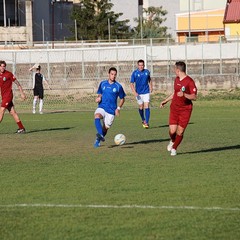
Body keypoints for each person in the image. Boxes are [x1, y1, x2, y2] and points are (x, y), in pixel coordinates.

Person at [160, 61, 197, 156]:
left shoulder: (189, 81)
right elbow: (175, 93)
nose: (174, 71)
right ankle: (172, 141)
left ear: (178, 70)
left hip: (185, 110)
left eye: (174, 69)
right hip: (174, 109)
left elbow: (194, 97)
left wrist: (184, 94)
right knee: (172, 131)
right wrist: (166, 100)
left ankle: (174, 148)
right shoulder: (176, 79)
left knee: (180, 131)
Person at [94, 67, 126, 148]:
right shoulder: (102, 83)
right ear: (108, 74)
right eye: (112, 74)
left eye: (115, 75)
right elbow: (100, 93)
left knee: (105, 128)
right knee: (97, 116)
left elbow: (122, 99)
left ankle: (98, 139)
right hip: (102, 106)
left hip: (111, 111)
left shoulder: (118, 86)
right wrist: (99, 98)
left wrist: (118, 108)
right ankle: (100, 135)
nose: (113, 76)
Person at [0, 60, 26, 133]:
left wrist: (22, 93)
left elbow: (17, 83)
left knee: (1, 111)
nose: (2, 68)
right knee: (13, 112)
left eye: (3, 66)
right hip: (4, 96)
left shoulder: (8, 74)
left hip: (8, 96)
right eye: (1, 66)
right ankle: (21, 128)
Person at [130, 59, 152, 129]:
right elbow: (131, 83)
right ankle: (143, 119)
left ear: (144, 65)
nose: (141, 66)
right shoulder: (135, 73)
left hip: (146, 92)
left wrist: (151, 87)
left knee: (147, 105)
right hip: (138, 93)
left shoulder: (147, 72)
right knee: (141, 107)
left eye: (142, 65)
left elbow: (149, 79)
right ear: (138, 65)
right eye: (139, 65)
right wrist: (134, 92)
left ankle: (147, 122)